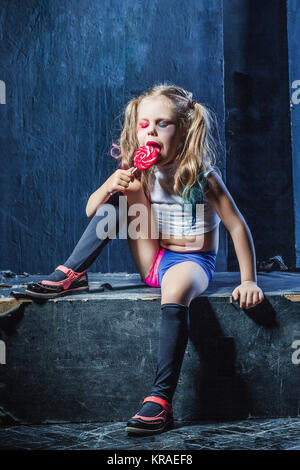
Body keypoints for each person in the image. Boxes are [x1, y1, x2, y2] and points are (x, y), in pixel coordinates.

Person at [25, 84, 264, 435]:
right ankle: (71, 272)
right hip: (153, 256)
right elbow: (93, 209)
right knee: (125, 193)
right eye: (143, 124)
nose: (150, 130)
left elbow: (237, 227)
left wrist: (248, 280)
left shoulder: (202, 175)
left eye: (162, 124)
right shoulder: (141, 171)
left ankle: (160, 400)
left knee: (175, 289)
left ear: (183, 130)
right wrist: (112, 184)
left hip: (191, 262)